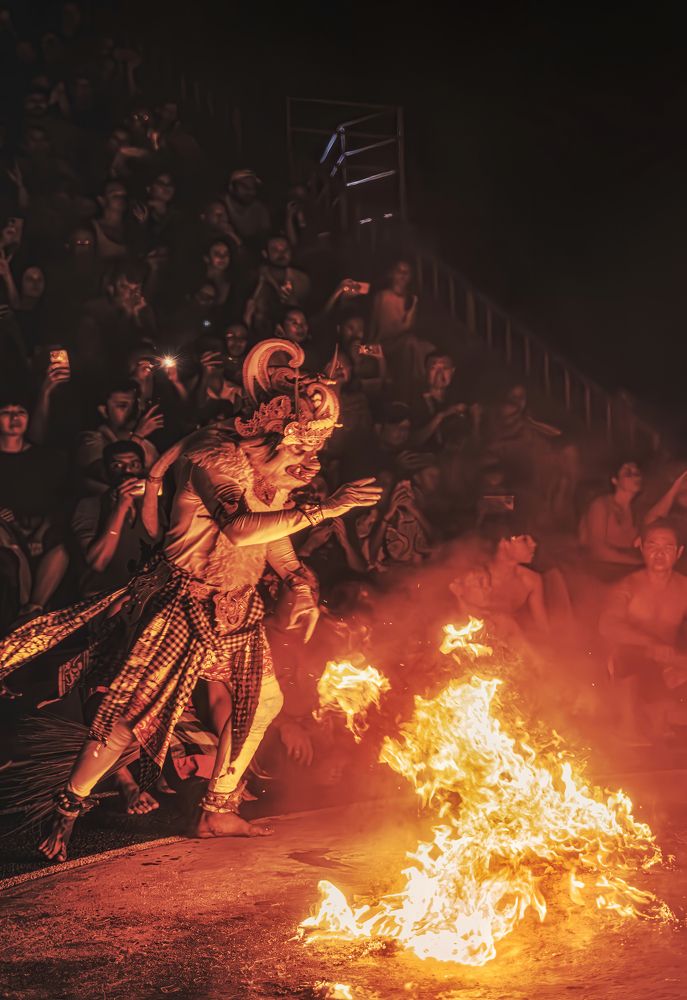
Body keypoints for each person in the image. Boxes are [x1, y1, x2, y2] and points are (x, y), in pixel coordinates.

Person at [0, 339, 382, 860]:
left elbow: (272, 535)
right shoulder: (215, 457)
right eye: (302, 448)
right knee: (130, 721)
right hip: (182, 602)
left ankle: (218, 808)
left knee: (264, 702)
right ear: (274, 433)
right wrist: (327, 510)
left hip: (238, 605)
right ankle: (67, 807)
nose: (309, 462)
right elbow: (242, 528)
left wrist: (296, 578)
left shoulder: (273, 468)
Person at [599, 519, 687, 742]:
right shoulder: (627, 587)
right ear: (641, 549)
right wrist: (651, 645)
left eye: (667, 547)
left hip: (667, 667)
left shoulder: (683, 587)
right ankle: (627, 727)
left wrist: (680, 665)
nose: (659, 554)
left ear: (679, 552)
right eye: (652, 546)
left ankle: (660, 716)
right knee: (627, 658)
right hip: (629, 663)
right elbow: (607, 625)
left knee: (663, 728)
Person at [579, 460, 644, 571]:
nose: (635, 477)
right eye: (628, 474)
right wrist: (639, 562)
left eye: (637, 473)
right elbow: (597, 550)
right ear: (615, 480)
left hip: (623, 568)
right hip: (596, 570)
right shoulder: (601, 506)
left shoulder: (636, 510)